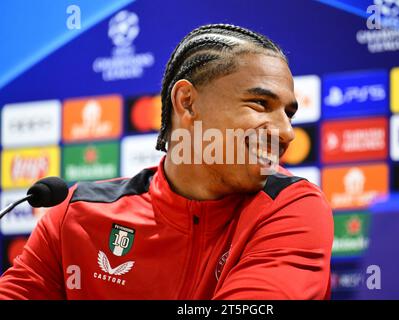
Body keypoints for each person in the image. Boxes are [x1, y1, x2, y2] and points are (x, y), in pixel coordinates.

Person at [0, 23, 333, 299]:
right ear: (187, 102)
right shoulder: (77, 213)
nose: (286, 133)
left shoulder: (292, 205)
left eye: (289, 113)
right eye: (260, 103)